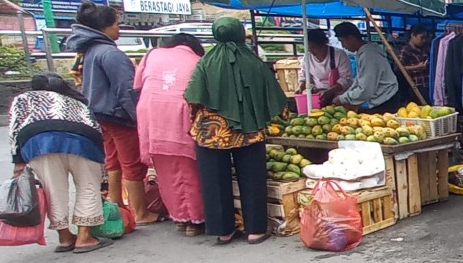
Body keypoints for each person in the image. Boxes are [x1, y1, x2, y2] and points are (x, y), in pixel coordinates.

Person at [184, 17, 287, 245]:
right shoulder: (254, 62)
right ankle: (256, 230)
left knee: (214, 180)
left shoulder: (205, 63)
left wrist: (199, 120)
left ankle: (223, 231)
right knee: (252, 178)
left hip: (211, 133)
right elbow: (273, 94)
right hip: (249, 130)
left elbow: (193, 97)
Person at [66, 2, 159, 225]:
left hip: (101, 114)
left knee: (114, 161)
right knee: (132, 163)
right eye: (116, 25)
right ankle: (140, 212)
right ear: (104, 27)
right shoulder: (110, 53)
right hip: (119, 116)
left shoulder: (90, 51)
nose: (119, 29)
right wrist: (138, 119)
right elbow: (126, 90)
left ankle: (116, 203)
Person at [7, 73, 111, 253]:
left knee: (52, 190)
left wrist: (18, 161)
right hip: (83, 141)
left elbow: (15, 129)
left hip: (39, 143)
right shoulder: (77, 103)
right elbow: (95, 129)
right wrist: (102, 175)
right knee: (88, 187)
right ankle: (84, 237)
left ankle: (64, 237)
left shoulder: (23, 98)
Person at [134, 34, 206, 236]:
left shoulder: (152, 55)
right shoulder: (197, 60)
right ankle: (196, 219)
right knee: (191, 171)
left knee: (166, 172)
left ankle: (179, 217)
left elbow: (137, 85)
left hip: (152, 116)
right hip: (182, 115)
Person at [331, 22, 400, 114]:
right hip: (382, 98)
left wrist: (343, 98)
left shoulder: (368, 55)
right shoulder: (364, 53)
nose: (343, 45)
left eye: (342, 41)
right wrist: (345, 96)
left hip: (386, 101)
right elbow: (359, 82)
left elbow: (365, 89)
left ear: (351, 38)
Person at [295, 28, 354, 104]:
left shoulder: (339, 55)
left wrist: (329, 92)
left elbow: (346, 79)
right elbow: (304, 76)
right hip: (319, 95)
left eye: (314, 48)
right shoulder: (307, 58)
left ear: (324, 44)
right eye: (309, 48)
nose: (312, 51)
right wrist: (300, 87)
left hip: (339, 96)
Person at [399, 23, 430, 101]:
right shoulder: (406, 50)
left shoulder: (424, 49)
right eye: (421, 37)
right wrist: (416, 67)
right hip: (415, 87)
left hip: (427, 85)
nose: (424, 40)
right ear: (413, 35)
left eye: (425, 38)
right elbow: (399, 68)